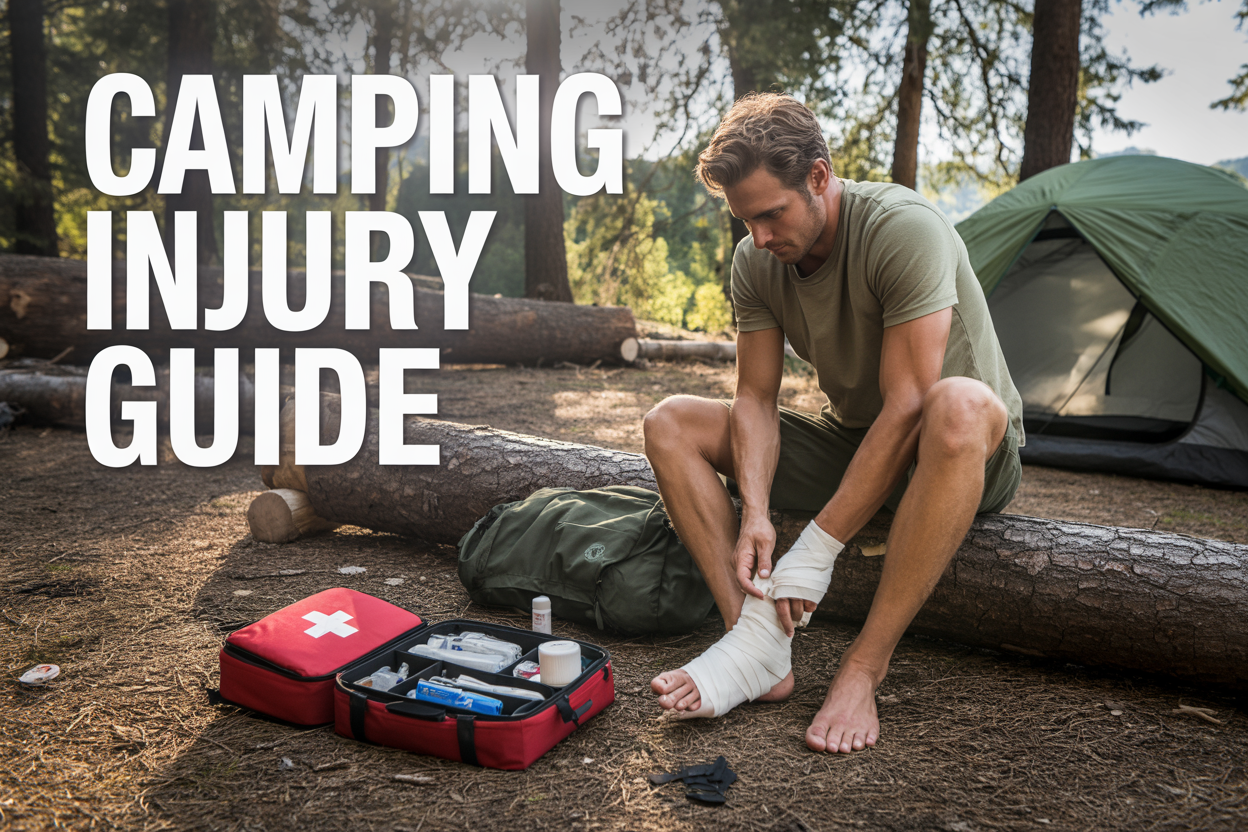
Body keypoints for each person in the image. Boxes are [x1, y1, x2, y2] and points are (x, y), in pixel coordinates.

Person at [646, 93, 1024, 754]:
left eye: (771, 214)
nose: (760, 238)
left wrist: (816, 551)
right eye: (745, 221)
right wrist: (757, 513)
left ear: (818, 178)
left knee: (955, 403)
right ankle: (757, 646)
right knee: (670, 423)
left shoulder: (902, 227)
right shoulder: (757, 261)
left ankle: (862, 669)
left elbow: (910, 403)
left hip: (961, 449)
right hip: (856, 440)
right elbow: (756, 400)